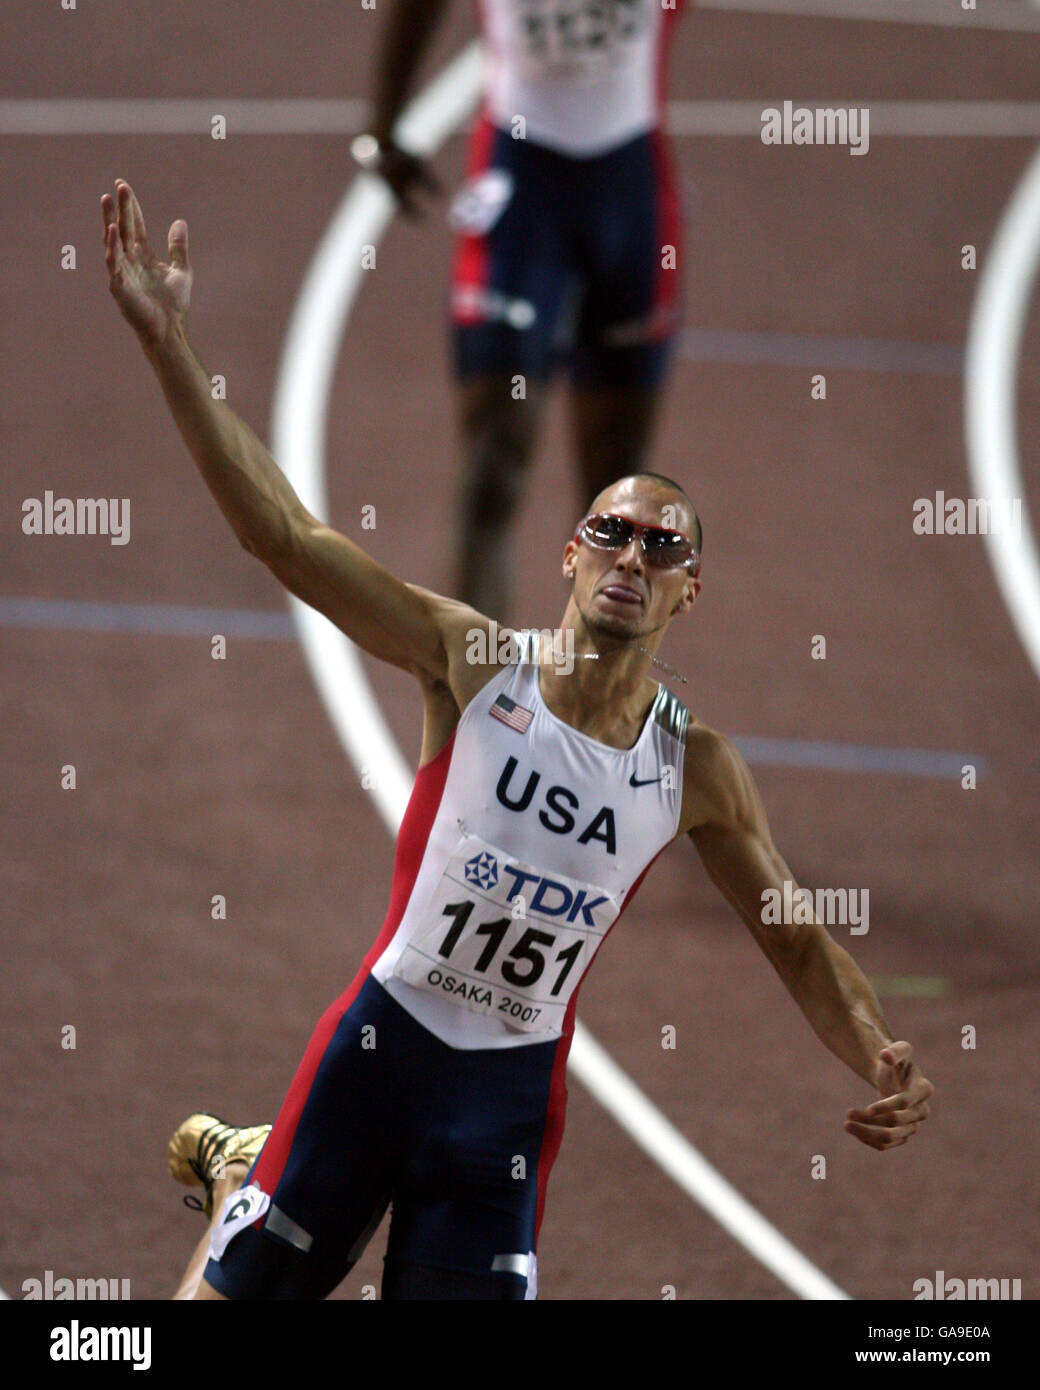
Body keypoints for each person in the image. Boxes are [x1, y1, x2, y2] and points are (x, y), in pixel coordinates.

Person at [102, 180, 933, 1301]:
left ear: (690, 590)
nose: (633, 556)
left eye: (662, 547)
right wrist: (172, 349)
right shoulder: (473, 663)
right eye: (611, 533)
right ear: (568, 555)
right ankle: (250, 1171)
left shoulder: (693, 770)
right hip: (376, 1052)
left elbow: (793, 938)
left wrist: (874, 1048)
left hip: (501, 1102)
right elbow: (285, 539)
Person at [354, 0, 689, 619]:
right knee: (493, 467)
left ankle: (586, 709)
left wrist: (386, 127)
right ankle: (477, 705)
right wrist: (384, 124)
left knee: (617, 503)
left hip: (631, 203)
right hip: (523, 194)